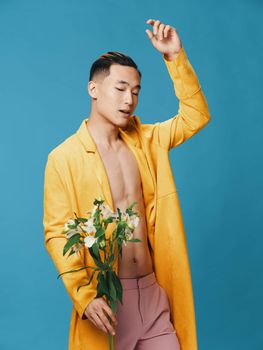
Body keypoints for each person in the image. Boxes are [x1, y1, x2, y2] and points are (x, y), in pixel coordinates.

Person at [43, 18, 211, 350]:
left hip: (152, 296)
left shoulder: (149, 140)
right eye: (120, 89)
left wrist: (175, 58)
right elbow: (57, 233)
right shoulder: (63, 158)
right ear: (93, 89)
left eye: (135, 91)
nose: (129, 99)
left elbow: (196, 115)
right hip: (106, 302)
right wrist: (84, 296)